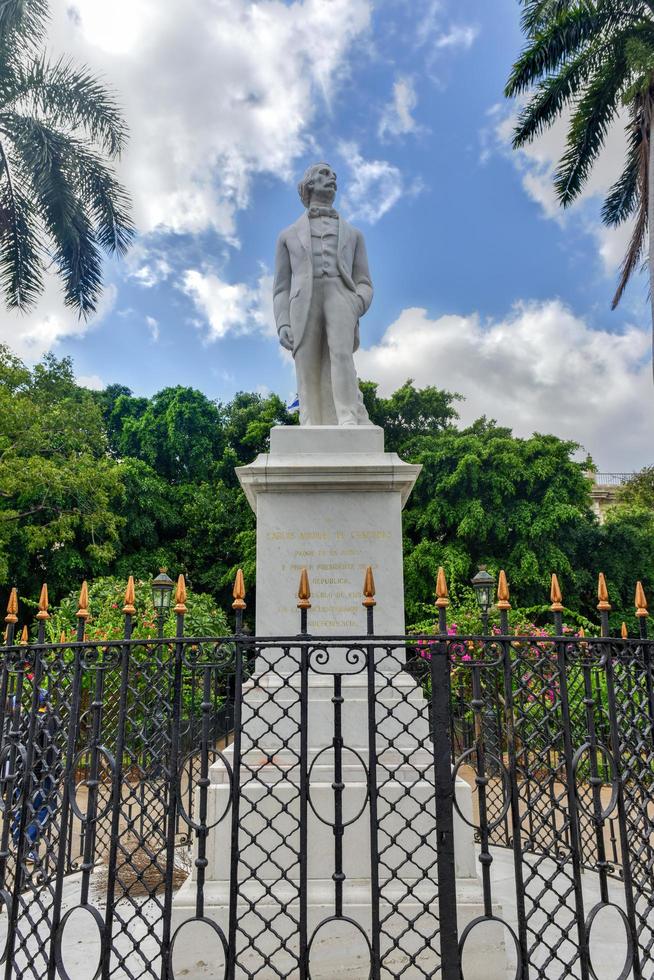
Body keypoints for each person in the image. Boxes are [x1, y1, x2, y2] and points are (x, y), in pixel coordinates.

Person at [273, 162, 373, 426]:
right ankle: (309, 421)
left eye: (334, 176)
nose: (332, 179)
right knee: (306, 362)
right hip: (302, 301)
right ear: (309, 184)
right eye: (324, 174)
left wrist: (357, 302)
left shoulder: (354, 234)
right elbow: (281, 287)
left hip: (340, 294)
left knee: (342, 355)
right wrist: (282, 321)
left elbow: (364, 281)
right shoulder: (287, 235)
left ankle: (348, 418)